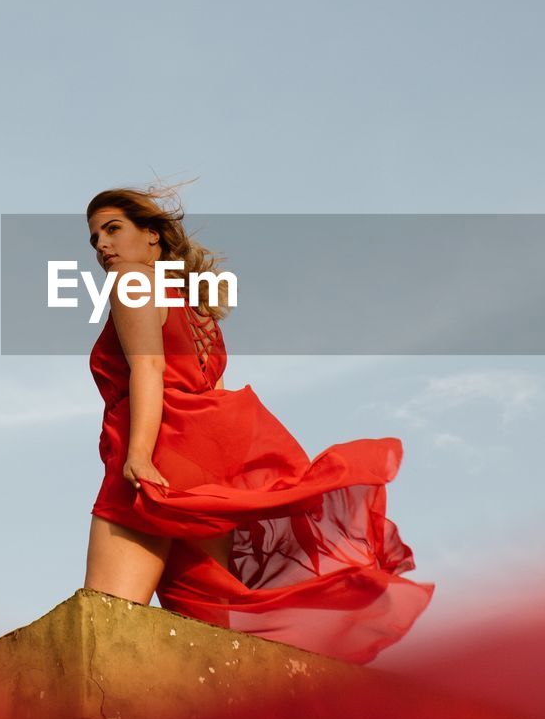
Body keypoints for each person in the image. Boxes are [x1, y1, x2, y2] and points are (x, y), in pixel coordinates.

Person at [83, 183, 435, 664]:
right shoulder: (197, 306)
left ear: (152, 237)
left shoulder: (131, 284)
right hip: (202, 469)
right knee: (210, 625)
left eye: (113, 229)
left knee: (107, 627)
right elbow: (217, 392)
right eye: (94, 237)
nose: (101, 245)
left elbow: (149, 369)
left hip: (154, 458)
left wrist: (140, 456)